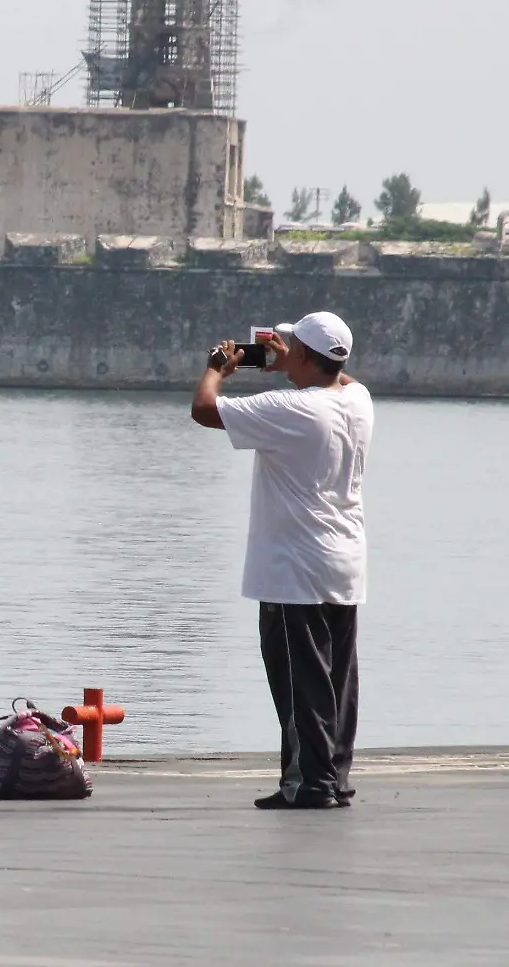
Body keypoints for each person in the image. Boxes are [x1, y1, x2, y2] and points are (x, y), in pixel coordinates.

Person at [191, 311, 373, 811]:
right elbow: (341, 376)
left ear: (308, 357)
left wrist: (217, 368)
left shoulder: (290, 408)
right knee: (337, 678)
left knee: (300, 680)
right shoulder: (358, 401)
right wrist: (293, 360)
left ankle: (311, 784)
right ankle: (333, 777)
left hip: (295, 566)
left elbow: (205, 410)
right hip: (345, 560)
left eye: (293, 346)